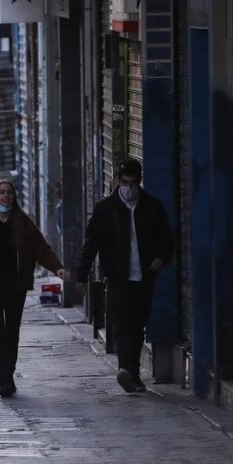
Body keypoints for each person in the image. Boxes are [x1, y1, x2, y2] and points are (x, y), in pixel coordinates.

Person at [0, 179, 68, 398]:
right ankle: (3, 379)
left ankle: (8, 373)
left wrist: (57, 268)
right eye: (1, 193)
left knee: (12, 331)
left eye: (9, 193)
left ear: (14, 197)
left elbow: (41, 248)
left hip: (15, 285)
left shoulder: (22, 221)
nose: (5, 196)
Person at [76, 159, 173, 393]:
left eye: (133, 182)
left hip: (144, 276)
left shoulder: (152, 207)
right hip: (118, 276)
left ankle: (132, 373)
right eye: (124, 182)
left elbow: (166, 238)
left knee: (137, 324)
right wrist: (82, 274)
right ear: (118, 181)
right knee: (122, 322)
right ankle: (126, 370)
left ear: (139, 182)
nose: (128, 187)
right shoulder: (104, 209)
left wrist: (161, 258)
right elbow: (91, 243)